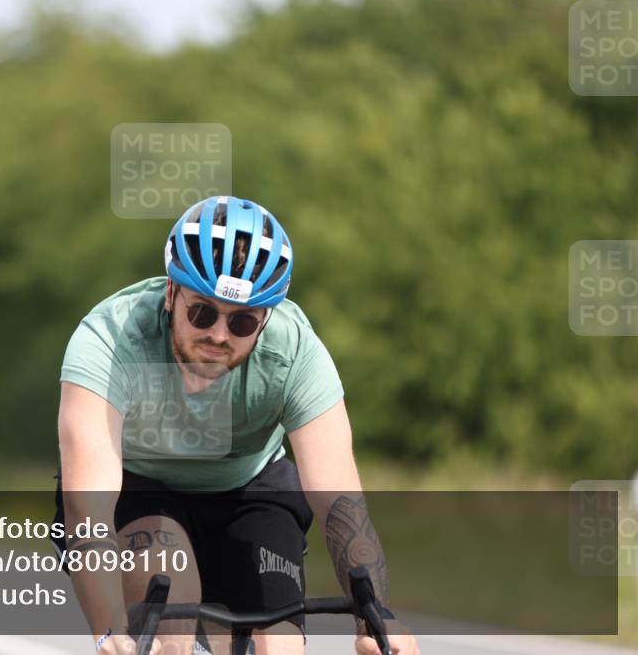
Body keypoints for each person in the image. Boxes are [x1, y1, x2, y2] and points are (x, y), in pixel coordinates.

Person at [53, 196, 420, 655]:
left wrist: (378, 619)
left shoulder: (296, 353)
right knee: (173, 624)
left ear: (266, 320)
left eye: (243, 322)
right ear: (171, 293)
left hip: (250, 487)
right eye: (202, 313)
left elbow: (341, 504)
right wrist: (109, 630)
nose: (219, 336)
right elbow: (88, 507)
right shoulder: (108, 342)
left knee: (279, 648)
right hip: (142, 486)